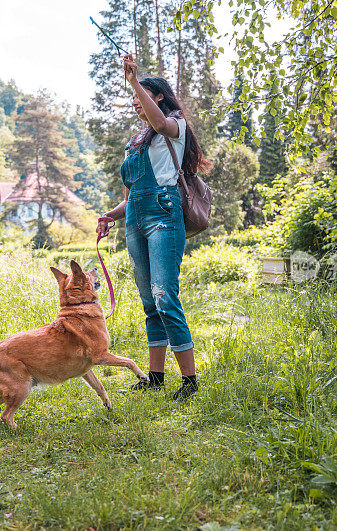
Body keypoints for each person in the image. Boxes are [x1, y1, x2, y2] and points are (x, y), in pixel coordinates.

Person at [96, 54, 211, 400]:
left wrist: (134, 80)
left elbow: (160, 125)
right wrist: (108, 216)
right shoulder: (135, 142)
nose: (135, 102)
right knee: (149, 303)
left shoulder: (174, 128)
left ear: (157, 96)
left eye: (140, 95)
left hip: (164, 215)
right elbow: (130, 196)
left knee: (165, 297)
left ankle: (189, 382)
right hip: (136, 220)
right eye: (133, 98)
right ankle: (156, 378)